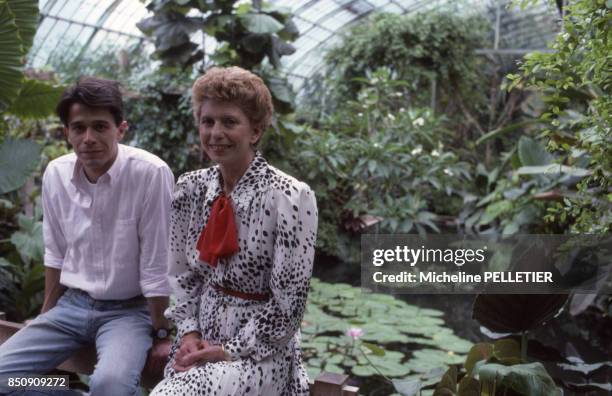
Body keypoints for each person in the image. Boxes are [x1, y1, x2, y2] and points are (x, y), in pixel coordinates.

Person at [0, 77, 174, 396]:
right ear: (67, 132)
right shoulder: (56, 173)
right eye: (79, 128)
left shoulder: (151, 173)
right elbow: (55, 253)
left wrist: (162, 332)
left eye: (100, 127)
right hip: (72, 307)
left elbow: (156, 265)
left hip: (128, 311)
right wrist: (44, 317)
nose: (88, 138)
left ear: (120, 129)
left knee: (109, 386)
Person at [150, 67, 318, 396]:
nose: (215, 133)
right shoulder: (189, 189)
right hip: (199, 342)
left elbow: (289, 304)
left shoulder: (290, 197)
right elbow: (181, 275)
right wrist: (188, 334)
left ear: (255, 131)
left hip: (260, 352)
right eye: (207, 121)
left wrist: (227, 350)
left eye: (229, 122)